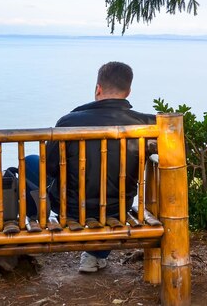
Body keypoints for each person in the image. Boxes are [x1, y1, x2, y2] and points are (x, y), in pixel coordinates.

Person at [25, 61, 155, 273]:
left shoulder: (69, 122)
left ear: (98, 89)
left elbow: (49, 169)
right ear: (128, 91)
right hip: (118, 210)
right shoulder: (148, 124)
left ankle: (32, 222)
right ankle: (95, 256)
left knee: (31, 162)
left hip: (72, 210)